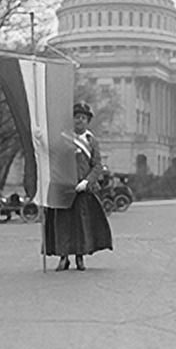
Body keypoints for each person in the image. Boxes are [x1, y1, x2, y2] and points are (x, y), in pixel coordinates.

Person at [44, 102, 113, 271]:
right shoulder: (62, 138)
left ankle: (80, 257)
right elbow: (52, 155)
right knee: (63, 224)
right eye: (76, 117)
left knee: (82, 225)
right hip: (64, 189)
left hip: (83, 190)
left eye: (83, 118)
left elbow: (97, 165)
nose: (79, 120)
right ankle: (63, 257)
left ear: (87, 121)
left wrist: (87, 181)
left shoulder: (91, 141)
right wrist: (40, 139)